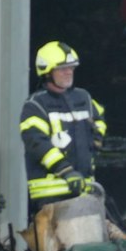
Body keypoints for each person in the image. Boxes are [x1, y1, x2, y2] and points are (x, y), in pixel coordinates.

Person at [19, 41, 107, 225]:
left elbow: (99, 119)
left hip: (84, 189)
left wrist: (96, 141)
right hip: (51, 194)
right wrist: (65, 171)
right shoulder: (35, 105)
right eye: (62, 69)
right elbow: (37, 143)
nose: (69, 72)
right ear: (47, 72)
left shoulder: (83, 98)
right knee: (59, 247)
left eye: (71, 68)